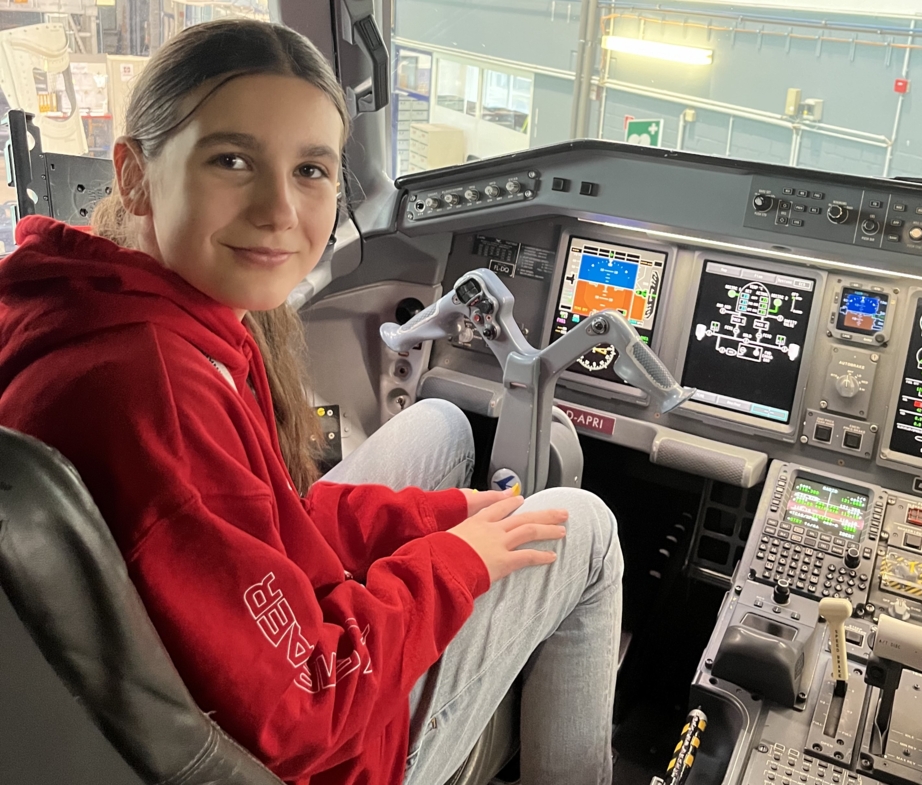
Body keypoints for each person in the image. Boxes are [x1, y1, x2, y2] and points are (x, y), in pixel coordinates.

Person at [0, 19, 623, 785]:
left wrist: (438, 520)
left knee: (443, 422)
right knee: (586, 527)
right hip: (326, 754)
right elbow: (308, 705)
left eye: (311, 170)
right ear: (133, 174)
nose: (279, 211)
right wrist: (455, 563)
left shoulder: (94, 306)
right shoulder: (158, 391)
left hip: (223, 668)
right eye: (232, 160)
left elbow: (267, 519)